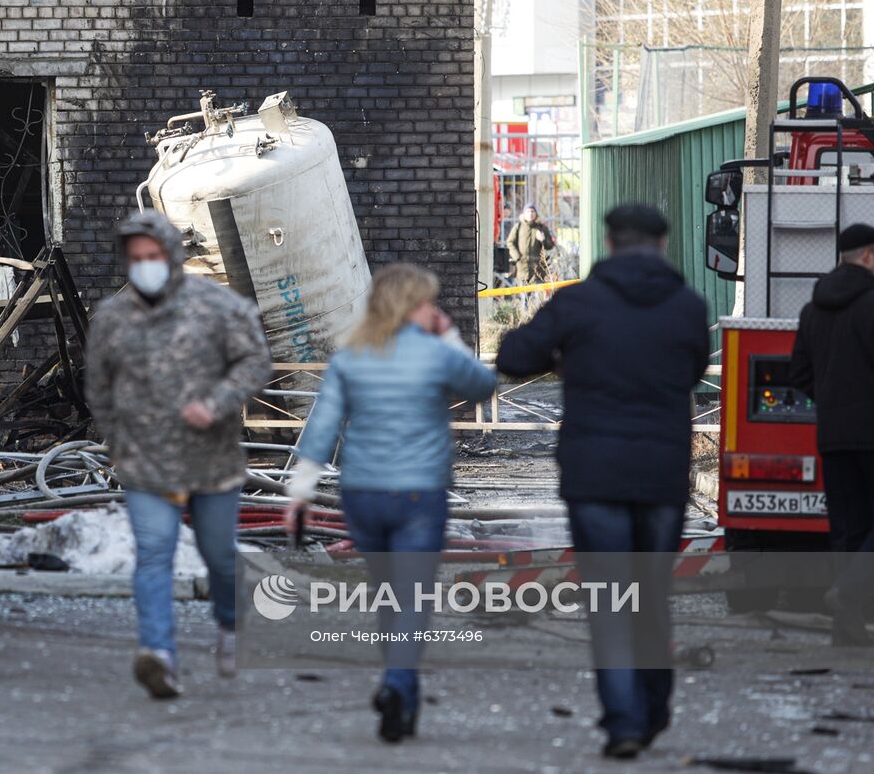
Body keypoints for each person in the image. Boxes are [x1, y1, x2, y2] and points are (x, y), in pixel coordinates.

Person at [496, 204, 708, 760]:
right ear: (662, 245)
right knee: (651, 594)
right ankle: (654, 703)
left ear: (609, 243)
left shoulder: (577, 303)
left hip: (594, 475)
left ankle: (624, 722)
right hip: (661, 476)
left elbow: (513, 356)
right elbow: (690, 373)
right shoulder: (688, 307)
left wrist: (564, 351)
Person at [285, 263, 496, 743]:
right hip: (419, 495)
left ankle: (403, 702)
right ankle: (397, 683)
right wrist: (451, 337)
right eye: (428, 303)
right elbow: (483, 387)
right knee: (413, 598)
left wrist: (299, 491)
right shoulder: (434, 353)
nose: (434, 310)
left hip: (363, 494)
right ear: (409, 306)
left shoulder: (351, 355)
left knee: (390, 597)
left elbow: (322, 426)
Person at [85, 211, 272, 699]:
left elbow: (255, 361)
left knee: (219, 557)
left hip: (211, 463)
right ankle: (158, 654)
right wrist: (118, 441)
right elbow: (99, 388)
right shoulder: (114, 318)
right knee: (153, 556)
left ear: (171, 255)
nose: (145, 266)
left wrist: (217, 404)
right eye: (136, 258)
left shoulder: (216, 306)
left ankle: (231, 626)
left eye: (153, 256)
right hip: (146, 463)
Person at [789, 223, 874, 646]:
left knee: (847, 530)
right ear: (867, 256)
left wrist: (831, 400)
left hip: (833, 436)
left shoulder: (813, 309)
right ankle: (848, 592)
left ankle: (846, 631)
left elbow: (799, 374)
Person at [505, 204, 556, 285]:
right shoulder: (518, 227)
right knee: (523, 295)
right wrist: (517, 257)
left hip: (537, 269)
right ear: (524, 214)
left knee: (537, 295)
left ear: (536, 214)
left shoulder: (542, 228)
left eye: (532, 211)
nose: (530, 214)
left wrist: (543, 240)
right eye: (528, 211)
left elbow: (550, 245)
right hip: (521, 268)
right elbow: (510, 242)